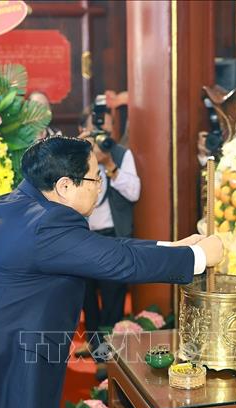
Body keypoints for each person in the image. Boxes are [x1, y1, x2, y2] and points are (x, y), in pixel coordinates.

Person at [0, 136, 224, 408]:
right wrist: (197, 257)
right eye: (95, 179)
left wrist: (175, 247)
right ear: (64, 186)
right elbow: (118, 261)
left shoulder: (23, 205)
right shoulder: (46, 225)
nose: (99, 186)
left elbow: (106, 249)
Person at [75, 105, 141, 380]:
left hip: (112, 236)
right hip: (82, 236)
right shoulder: (75, 155)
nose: (102, 134)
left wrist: (109, 164)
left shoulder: (121, 154)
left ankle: (110, 353)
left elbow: (134, 192)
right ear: (83, 130)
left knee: (114, 296)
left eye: (106, 128)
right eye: (95, 129)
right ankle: (95, 346)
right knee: (87, 296)